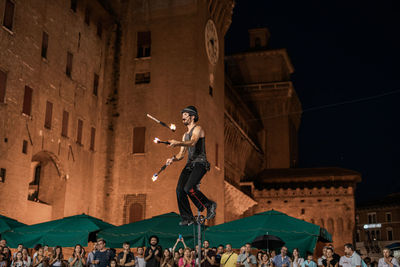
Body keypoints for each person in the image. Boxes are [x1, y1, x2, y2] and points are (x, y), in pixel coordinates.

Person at [166, 106, 217, 225]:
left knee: (188, 188)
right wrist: (172, 159)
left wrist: (177, 143)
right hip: (190, 164)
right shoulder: (184, 135)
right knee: (179, 190)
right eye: (182, 115)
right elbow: (181, 155)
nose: (182, 117)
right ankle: (187, 217)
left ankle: (209, 204)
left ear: (192, 117)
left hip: (200, 163)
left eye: (185, 114)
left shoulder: (198, 129)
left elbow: (193, 142)